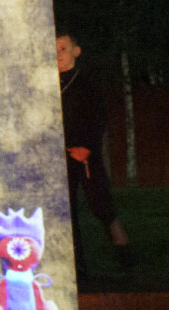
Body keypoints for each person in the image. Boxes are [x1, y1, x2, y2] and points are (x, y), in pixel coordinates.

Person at [56, 29, 131, 277]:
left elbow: (98, 118)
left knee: (101, 204)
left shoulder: (87, 83)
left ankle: (123, 250)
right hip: (60, 157)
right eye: (54, 50)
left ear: (76, 51)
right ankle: (77, 265)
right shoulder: (47, 84)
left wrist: (87, 147)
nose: (58, 54)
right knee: (66, 211)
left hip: (86, 154)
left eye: (63, 49)